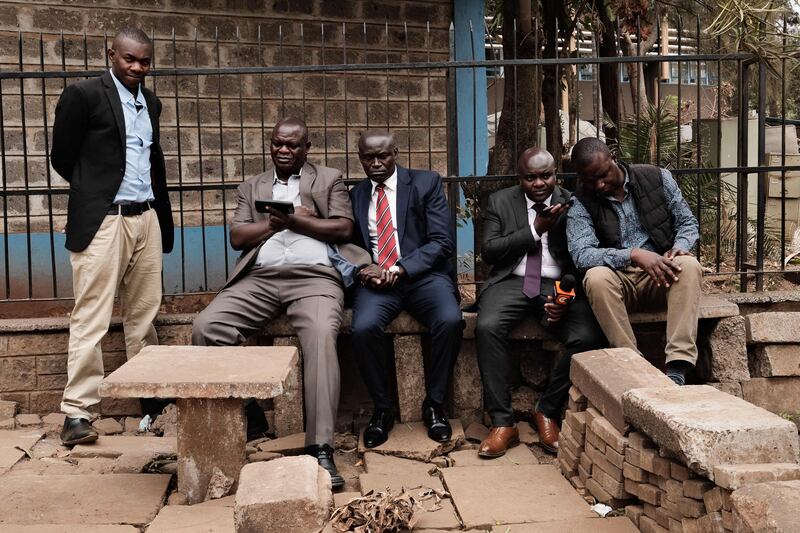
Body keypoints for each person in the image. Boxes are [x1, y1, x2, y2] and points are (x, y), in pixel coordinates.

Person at [191, 117, 367, 490]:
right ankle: (250, 411)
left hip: (314, 277)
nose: (283, 151)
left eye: (292, 145)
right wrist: (276, 224)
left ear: (307, 148)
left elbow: (343, 228)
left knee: (320, 336)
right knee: (206, 327)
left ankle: (320, 448)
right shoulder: (252, 185)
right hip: (261, 278)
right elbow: (239, 237)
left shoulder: (328, 178)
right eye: (277, 144)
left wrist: (300, 222)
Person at [50, 28, 174, 447]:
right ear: (112, 55)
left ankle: (150, 401)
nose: (137, 67)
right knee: (92, 316)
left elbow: (150, 160)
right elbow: (62, 157)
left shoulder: (150, 102)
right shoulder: (83, 95)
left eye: (144, 61)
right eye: (129, 59)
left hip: (146, 218)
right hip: (104, 220)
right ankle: (77, 412)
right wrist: (96, 193)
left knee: (143, 315)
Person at [475, 147, 605, 457]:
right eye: (530, 177)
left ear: (555, 174)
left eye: (545, 176)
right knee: (486, 327)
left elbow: (583, 256)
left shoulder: (573, 202)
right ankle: (503, 423)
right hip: (511, 280)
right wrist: (535, 230)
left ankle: (546, 410)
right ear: (520, 178)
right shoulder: (500, 201)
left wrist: (566, 295)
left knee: (588, 336)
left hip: (556, 282)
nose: (538, 183)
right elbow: (490, 251)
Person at [349, 131, 463, 448]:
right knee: (362, 328)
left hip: (422, 277)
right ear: (359, 157)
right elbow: (348, 247)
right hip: (378, 284)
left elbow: (442, 242)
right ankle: (382, 410)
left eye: (382, 156)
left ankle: (434, 405)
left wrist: (400, 268)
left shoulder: (425, 183)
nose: (375, 163)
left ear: (395, 152)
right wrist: (364, 271)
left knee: (450, 320)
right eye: (367, 157)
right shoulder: (356, 195)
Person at [567, 137, 702, 386]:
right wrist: (633, 254)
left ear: (613, 158)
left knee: (690, 266)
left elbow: (688, 223)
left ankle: (677, 367)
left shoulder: (657, 178)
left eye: (603, 175)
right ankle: (632, 364)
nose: (599, 184)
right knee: (596, 277)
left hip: (661, 276)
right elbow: (581, 254)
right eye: (590, 180)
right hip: (620, 282)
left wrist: (679, 248)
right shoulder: (581, 202)